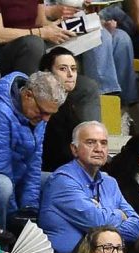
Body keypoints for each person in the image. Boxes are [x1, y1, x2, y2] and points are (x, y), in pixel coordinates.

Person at [0, 0, 136, 108]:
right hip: (6, 53)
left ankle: (95, 134)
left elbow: (40, 22)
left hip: (39, 44)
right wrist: (41, 32)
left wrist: (60, 26)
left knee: (88, 87)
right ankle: (28, 102)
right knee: (34, 43)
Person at [0, 70, 64, 229]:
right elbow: (0, 169)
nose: (46, 119)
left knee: (59, 180)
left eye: (50, 114)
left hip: (17, 174)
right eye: (43, 112)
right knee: (3, 185)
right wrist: (15, 216)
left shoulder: (37, 113)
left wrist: (30, 207)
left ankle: (48, 235)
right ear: (27, 95)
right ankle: (1, 234)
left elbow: (34, 163)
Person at [38, 121, 139, 253]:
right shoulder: (62, 181)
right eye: (90, 142)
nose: (99, 149)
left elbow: (136, 227)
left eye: (103, 143)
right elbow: (96, 221)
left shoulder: (110, 183)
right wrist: (119, 215)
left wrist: (101, 226)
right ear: (74, 149)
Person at [37, 46, 98, 174]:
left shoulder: (68, 104)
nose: (70, 74)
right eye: (63, 69)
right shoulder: (42, 106)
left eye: (73, 69)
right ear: (47, 73)